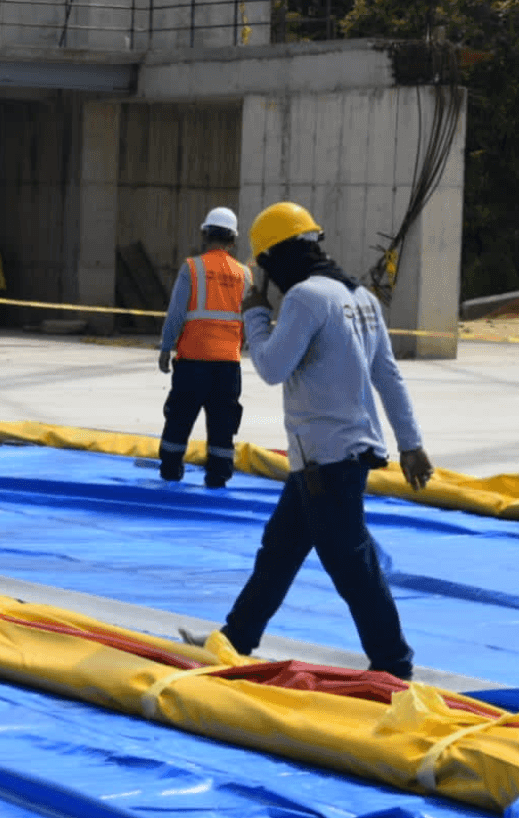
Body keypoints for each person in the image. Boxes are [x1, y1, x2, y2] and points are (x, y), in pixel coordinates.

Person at [205, 201, 434, 679]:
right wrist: (410, 442)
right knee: (280, 550)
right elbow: (387, 376)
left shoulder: (307, 299)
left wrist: (254, 315)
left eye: (265, 265)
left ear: (278, 258)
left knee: (350, 562)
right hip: (327, 457)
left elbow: (271, 367)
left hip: (326, 459)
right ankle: (235, 638)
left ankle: (393, 664)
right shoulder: (360, 298)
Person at [157, 206, 249, 488]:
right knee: (223, 424)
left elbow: (176, 313)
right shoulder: (244, 274)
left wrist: (166, 347)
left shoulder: (193, 268)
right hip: (228, 365)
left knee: (180, 418)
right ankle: (218, 476)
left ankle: (171, 472)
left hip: (194, 361)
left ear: (205, 235)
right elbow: (248, 319)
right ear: (233, 239)